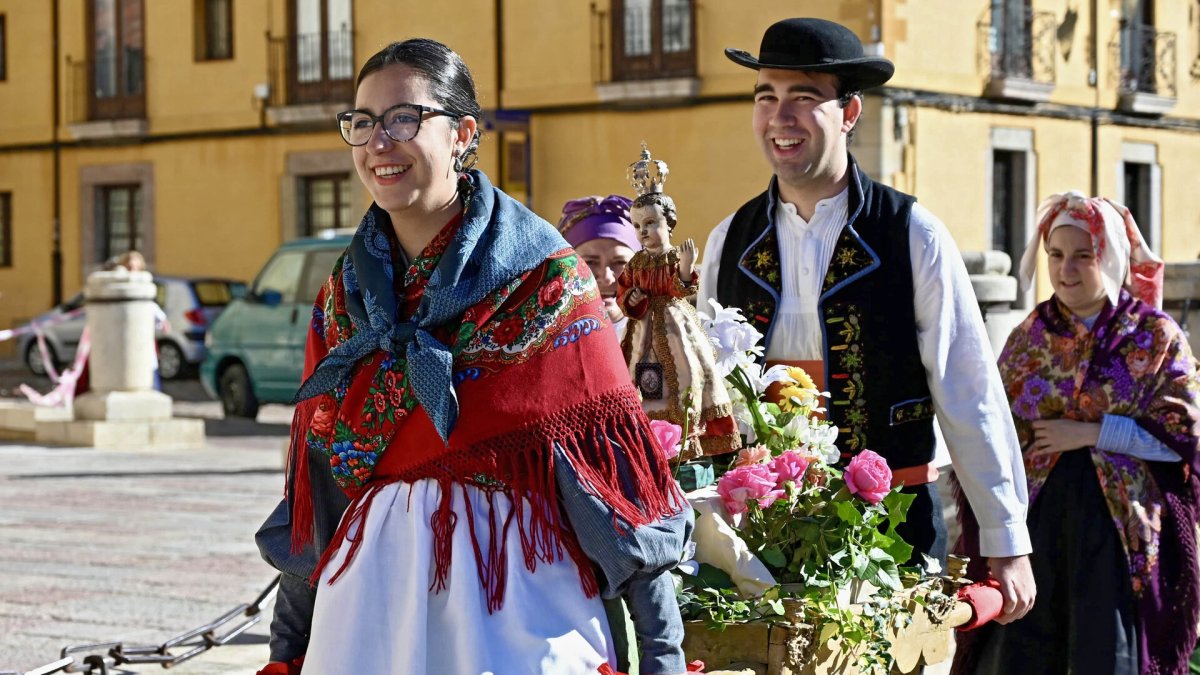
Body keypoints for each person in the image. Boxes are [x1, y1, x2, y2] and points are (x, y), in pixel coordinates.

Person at [253, 39, 691, 675]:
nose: (379, 142)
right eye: (363, 122)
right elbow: (320, 485)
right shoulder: (341, 302)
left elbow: (613, 485)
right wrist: (287, 651)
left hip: (514, 599)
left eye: (404, 118)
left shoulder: (543, 280)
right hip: (368, 612)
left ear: (462, 132)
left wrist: (662, 654)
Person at [696, 17, 1035, 621]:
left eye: (804, 98)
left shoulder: (912, 235)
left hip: (891, 531)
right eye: (766, 97)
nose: (781, 117)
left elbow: (968, 389)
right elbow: (706, 402)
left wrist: (1006, 540)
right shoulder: (730, 242)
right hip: (760, 543)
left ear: (849, 112)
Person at [957, 192, 1199, 675]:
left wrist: (1091, 433)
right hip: (1038, 525)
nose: (1066, 270)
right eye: (1056, 255)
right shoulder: (1031, 334)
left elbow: (1183, 438)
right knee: (1025, 651)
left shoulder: (1154, 336)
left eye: (1082, 256)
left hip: (1115, 533)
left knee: (1103, 654)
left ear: (1109, 258)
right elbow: (994, 428)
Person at [557, 195, 642, 339]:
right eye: (590, 262)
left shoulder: (658, 338)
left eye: (620, 262)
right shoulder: (541, 342)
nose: (607, 278)